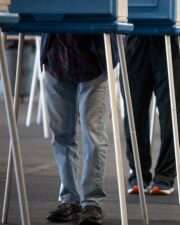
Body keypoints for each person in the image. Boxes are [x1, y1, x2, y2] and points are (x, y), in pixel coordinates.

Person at [42, 34, 118, 225]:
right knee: (61, 136)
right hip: (56, 60)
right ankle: (69, 200)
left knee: (93, 135)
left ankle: (92, 202)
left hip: (93, 61)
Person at [122, 0, 180, 195]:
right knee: (133, 111)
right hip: (135, 37)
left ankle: (165, 175)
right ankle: (138, 173)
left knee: (170, 111)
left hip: (169, 37)